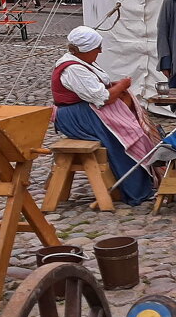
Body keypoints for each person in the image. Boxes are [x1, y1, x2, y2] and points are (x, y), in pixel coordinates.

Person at [50, 26, 158, 206]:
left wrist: (115, 86)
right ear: (85, 50)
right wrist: (122, 85)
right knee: (122, 139)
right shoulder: (73, 69)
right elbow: (103, 98)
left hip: (85, 111)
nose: (100, 51)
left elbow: (97, 89)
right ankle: (136, 191)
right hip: (75, 116)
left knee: (132, 130)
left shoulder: (82, 63)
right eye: (97, 48)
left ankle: (142, 181)